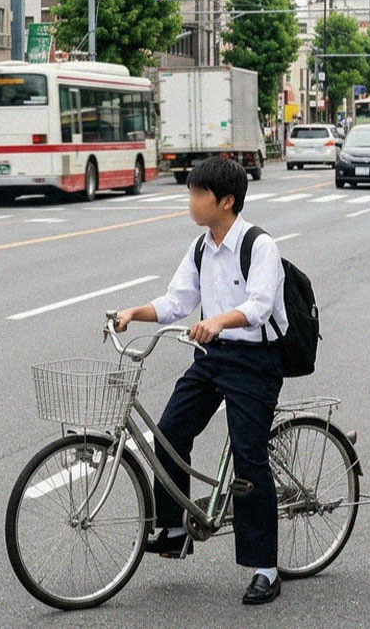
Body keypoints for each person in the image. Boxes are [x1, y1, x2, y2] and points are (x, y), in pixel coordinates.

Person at [113, 156, 288, 606]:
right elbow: (177, 301)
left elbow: (259, 306)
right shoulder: (201, 246)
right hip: (213, 357)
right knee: (169, 433)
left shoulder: (259, 245)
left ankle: (265, 568)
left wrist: (219, 322)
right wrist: (135, 312)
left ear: (225, 201)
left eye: (197, 194)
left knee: (249, 459)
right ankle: (173, 529)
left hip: (255, 360)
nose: (190, 201)